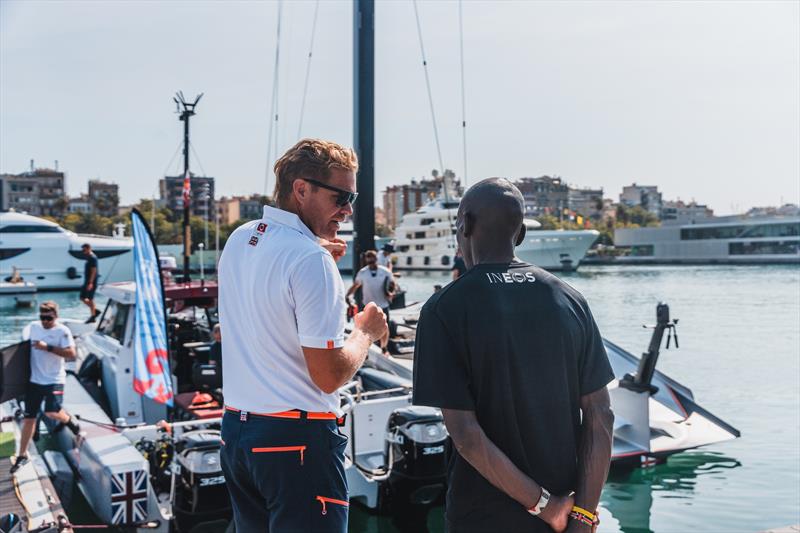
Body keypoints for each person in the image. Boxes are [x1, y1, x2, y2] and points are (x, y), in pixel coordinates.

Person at [413, 178, 615, 533]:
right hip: (565, 522)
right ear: (520, 233)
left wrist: (545, 506)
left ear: (464, 224)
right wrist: (581, 517)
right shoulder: (569, 300)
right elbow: (600, 416)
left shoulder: (443, 310)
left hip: (484, 519)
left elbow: (467, 436)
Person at [217, 138, 388, 533]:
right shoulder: (310, 260)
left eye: (353, 198)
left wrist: (316, 254)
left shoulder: (241, 239)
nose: (347, 210)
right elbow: (328, 376)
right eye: (341, 196)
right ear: (301, 189)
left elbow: (270, 292)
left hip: (238, 435)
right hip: (296, 441)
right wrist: (364, 332)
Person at [11, 301, 80, 474]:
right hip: (35, 380)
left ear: (56, 316)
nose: (45, 321)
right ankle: (22, 455)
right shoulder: (33, 327)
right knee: (29, 419)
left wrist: (47, 347)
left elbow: (72, 354)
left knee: (51, 412)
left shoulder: (62, 331)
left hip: (55, 379)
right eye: (42, 317)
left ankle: (68, 419)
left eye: (48, 318)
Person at [346, 249, 396, 321]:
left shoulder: (385, 271)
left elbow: (392, 282)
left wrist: (391, 292)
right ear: (366, 261)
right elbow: (355, 286)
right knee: (368, 330)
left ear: (376, 259)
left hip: (383, 306)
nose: (371, 263)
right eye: (369, 261)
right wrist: (348, 295)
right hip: (368, 306)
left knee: (385, 330)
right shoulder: (362, 272)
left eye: (373, 261)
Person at [80, 243, 100, 322]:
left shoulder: (93, 258)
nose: (83, 252)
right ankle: (94, 310)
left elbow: (94, 271)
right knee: (82, 297)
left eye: (84, 250)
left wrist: (91, 283)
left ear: (89, 248)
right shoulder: (89, 258)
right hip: (87, 281)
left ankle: (93, 316)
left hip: (91, 282)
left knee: (90, 299)